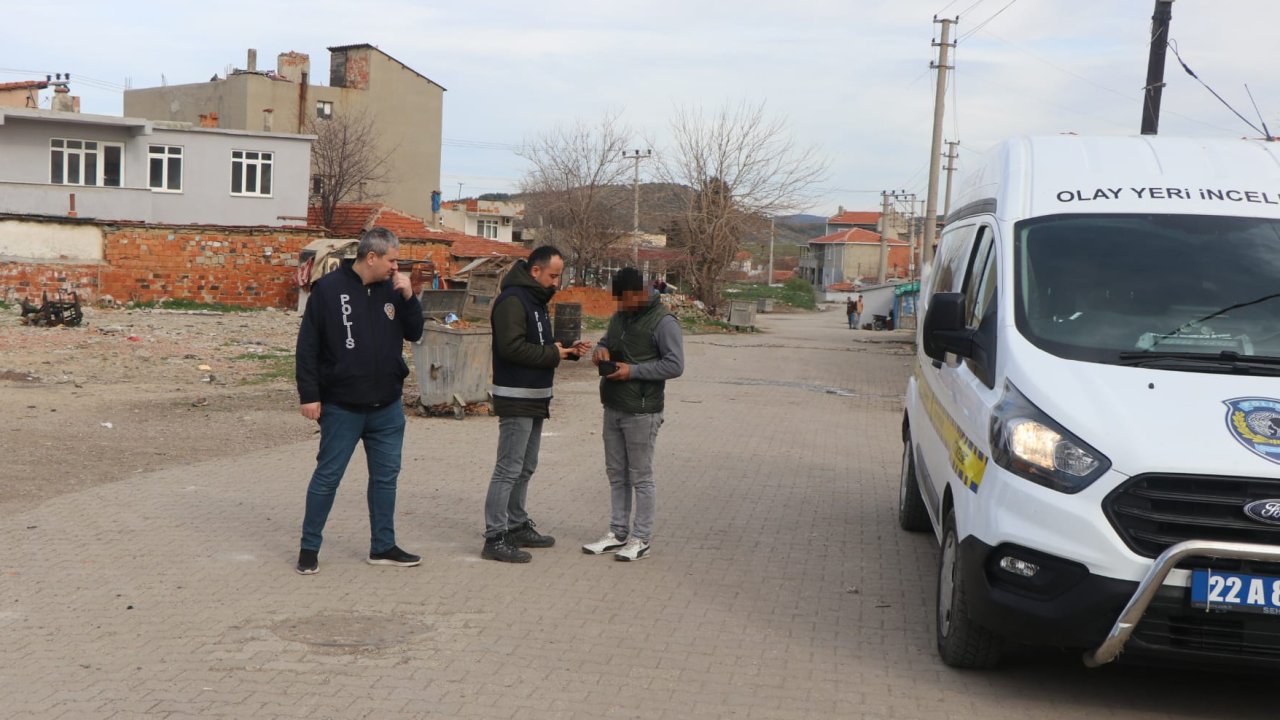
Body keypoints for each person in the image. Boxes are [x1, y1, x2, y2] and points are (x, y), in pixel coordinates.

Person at [294, 227, 425, 575]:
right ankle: (309, 548)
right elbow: (307, 348)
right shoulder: (328, 290)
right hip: (342, 406)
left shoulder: (394, 290)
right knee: (328, 477)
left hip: (387, 407)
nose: (396, 268)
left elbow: (415, 332)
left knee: (385, 479)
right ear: (371, 257)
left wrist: (410, 297)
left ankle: (383, 546)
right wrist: (310, 395)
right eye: (392, 260)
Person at [482, 246, 592, 563]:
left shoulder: (537, 301)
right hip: (516, 396)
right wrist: (554, 353)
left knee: (526, 467)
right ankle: (494, 536)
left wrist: (567, 349)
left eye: (559, 276)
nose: (557, 283)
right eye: (553, 276)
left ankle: (516, 525)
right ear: (535, 271)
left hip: (535, 396)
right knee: (508, 468)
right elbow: (512, 348)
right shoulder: (512, 301)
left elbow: (539, 344)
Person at [583, 267, 685, 562]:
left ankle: (641, 538)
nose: (621, 307)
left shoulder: (664, 321)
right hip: (613, 405)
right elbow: (607, 341)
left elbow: (675, 365)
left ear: (640, 293)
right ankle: (617, 533)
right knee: (616, 474)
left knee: (640, 477)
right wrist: (600, 351)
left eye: (626, 301)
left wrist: (633, 371)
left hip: (642, 410)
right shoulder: (620, 317)